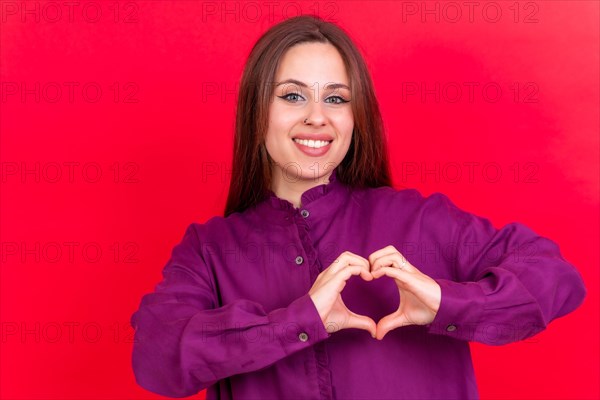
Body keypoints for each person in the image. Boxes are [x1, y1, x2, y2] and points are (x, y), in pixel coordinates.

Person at [130, 15, 587, 399]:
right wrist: (300, 320)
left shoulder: (421, 220)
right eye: (292, 96)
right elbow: (157, 359)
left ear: (355, 117)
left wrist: (449, 303)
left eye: (336, 98)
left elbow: (555, 275)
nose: (316, 116)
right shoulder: (210, 250)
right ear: (256, 109)